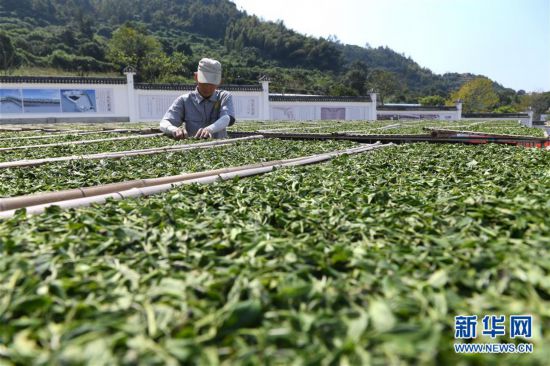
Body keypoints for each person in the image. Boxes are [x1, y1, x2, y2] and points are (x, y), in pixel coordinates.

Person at [159, 58, 235, 139]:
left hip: (219, 147)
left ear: (219, 82)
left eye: (212, 84)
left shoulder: (224, 96)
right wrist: (174, 129)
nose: (208, 88)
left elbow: (226, 118)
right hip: (193, 148)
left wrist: (209, 129)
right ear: (196, 77)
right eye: (204, 83)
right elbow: (164, 123)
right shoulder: (184, 100)